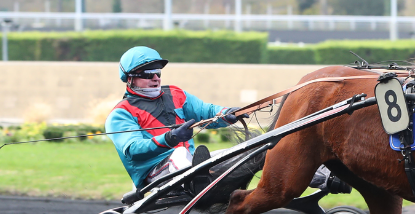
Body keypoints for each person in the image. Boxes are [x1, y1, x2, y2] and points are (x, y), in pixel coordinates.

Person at [106, 46, 350, 195]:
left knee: (264, 146)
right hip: (155, 176)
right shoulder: (120, 114)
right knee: (179, 155)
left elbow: (207, 112)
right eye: (148, 74)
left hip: (193, 164)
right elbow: (133, 150)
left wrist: (230, 113)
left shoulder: (176, 94)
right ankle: (196, 180)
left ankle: (326, 178)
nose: (155, 78)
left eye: (158, 72)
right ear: (130, 79)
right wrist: (170, 138)